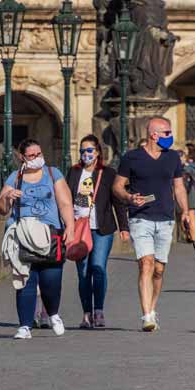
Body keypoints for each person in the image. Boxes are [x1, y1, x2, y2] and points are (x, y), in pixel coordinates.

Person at [112, 117, 190, 332]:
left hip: (165, 218)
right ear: (153, 134)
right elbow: (117, 186)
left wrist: (185, 212)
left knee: (158, 269)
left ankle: (153, 308)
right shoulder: (132, 158)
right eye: (167, 133)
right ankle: (146, 315)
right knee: (145, 263)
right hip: (140, 217)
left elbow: (179, 187)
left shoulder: (172, 157)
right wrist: (128, 198)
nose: (170, 136)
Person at [0, 139, 75, 340]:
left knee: (51, 280)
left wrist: (70, 227)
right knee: (25, 280)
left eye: (38, 154)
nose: (37, 158)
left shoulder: (52, 173)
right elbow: (1, 209)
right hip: (23, 234)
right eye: (32, 155)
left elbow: (65, 203)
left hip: (50, 234)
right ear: (22, 157)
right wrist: (7, 197)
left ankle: (53, 313)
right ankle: (24, 325)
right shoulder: (15, 177)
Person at [67, 135, 129, 328]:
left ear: (98, 152)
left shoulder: (108, 173)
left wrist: (124, 227)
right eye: (83, 151)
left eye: (90, 150)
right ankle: (87, 314)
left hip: (102, 228)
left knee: (98, 268)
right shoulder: (73, 172)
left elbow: (117, 201)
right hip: (79, 227)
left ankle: (99, 311)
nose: (86, 154)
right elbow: (65, 200)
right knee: (84, 272)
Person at [179, 147, 195, 242]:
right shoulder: (188, 167)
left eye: (181, 157)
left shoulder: (187, 168)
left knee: (191, 214)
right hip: (189, 192)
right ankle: (191, 236)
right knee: (190, 215)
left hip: (190, 192)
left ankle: (192, 236)